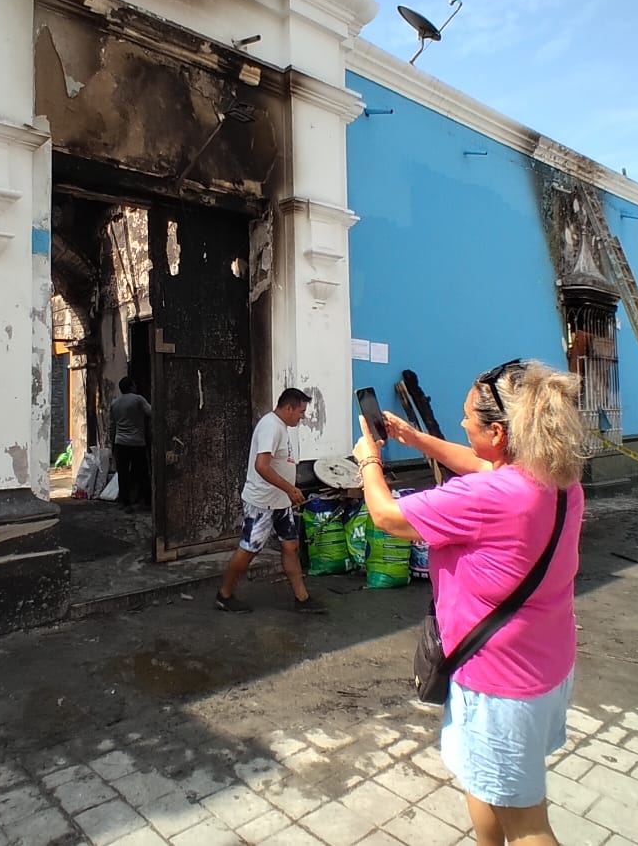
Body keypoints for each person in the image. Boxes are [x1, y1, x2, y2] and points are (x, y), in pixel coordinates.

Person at [352, 360, 588, 846]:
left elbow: (387, 515)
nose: (461, 424)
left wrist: (368, 461)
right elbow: (481, 462)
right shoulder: (558, 482)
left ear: (499, 432)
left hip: (498, 680)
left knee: (528, 823)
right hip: (544, 662)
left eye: (468, 419)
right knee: (484, 783)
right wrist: (413, 437)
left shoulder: (488, 498)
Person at [216, 388, 327, 615]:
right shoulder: (271, 426)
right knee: (249, 550)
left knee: (291, 546)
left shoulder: (281, 426)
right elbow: (261, 466)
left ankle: (302, 598)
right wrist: (290, 489)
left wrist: (287, 493)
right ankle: (224, 595)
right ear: (289, 408)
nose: (302, 417)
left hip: (279, 502)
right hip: (262, 503)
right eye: (301, 411)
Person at [109, 377, 152, 509]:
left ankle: (125, 502)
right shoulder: (138, 399)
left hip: (120, 442)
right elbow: (151, 413)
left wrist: (112, 443)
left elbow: (112, 425)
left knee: (123, 473)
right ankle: (147, 501)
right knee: (143, 472)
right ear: (132, 386)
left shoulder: (115, 403)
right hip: (137, 442)